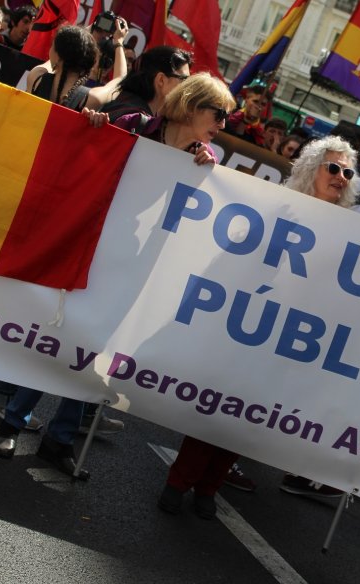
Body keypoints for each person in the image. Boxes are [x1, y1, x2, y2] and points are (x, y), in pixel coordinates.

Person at [116, 73, 235, 519]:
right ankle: (12, 408)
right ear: (190, 106)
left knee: (100, 345)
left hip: (146, 263)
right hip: (108, 245)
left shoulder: (207, 157)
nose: (222, 123)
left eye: (227, 117)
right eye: (217, 113)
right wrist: (93, 123)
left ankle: (66, 431)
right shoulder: (134, 124)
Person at [276, 136, 360, 499]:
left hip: (305, 330)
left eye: (347, 171)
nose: (341, 176)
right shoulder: (284, 208)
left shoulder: (350, 228)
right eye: (333, 168)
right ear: (312, 169)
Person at [25, 24, 126, 113]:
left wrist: (83, 32)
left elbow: (55, 60)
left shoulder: (36, 78)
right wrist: (119, 42)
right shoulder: (92, 99)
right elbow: (120, 78)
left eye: (53, 46)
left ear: (57, 54)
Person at [100, 45, 191, 123]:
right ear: (161, 80)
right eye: (184, 80)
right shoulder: (134, 120)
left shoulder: (125, 104)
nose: (188, 87)